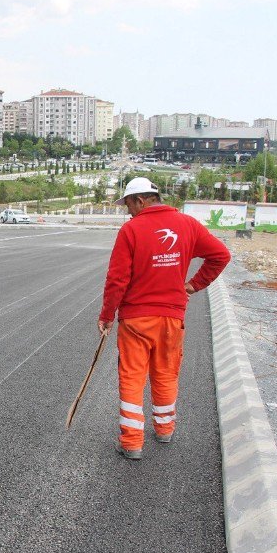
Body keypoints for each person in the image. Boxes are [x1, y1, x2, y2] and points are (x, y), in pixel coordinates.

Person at [99, 177, 231, 460]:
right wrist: (193, 285)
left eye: (129, 205)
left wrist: (107, 315)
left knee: (133, 377)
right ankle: (164, 429)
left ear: (141, 200)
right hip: (172, 317)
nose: (128, 211)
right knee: (166, 373)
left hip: (136, 320)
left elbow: (117, 279)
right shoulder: (187, 225)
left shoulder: (131, 230)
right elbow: (220, 255)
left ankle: (132, 443)